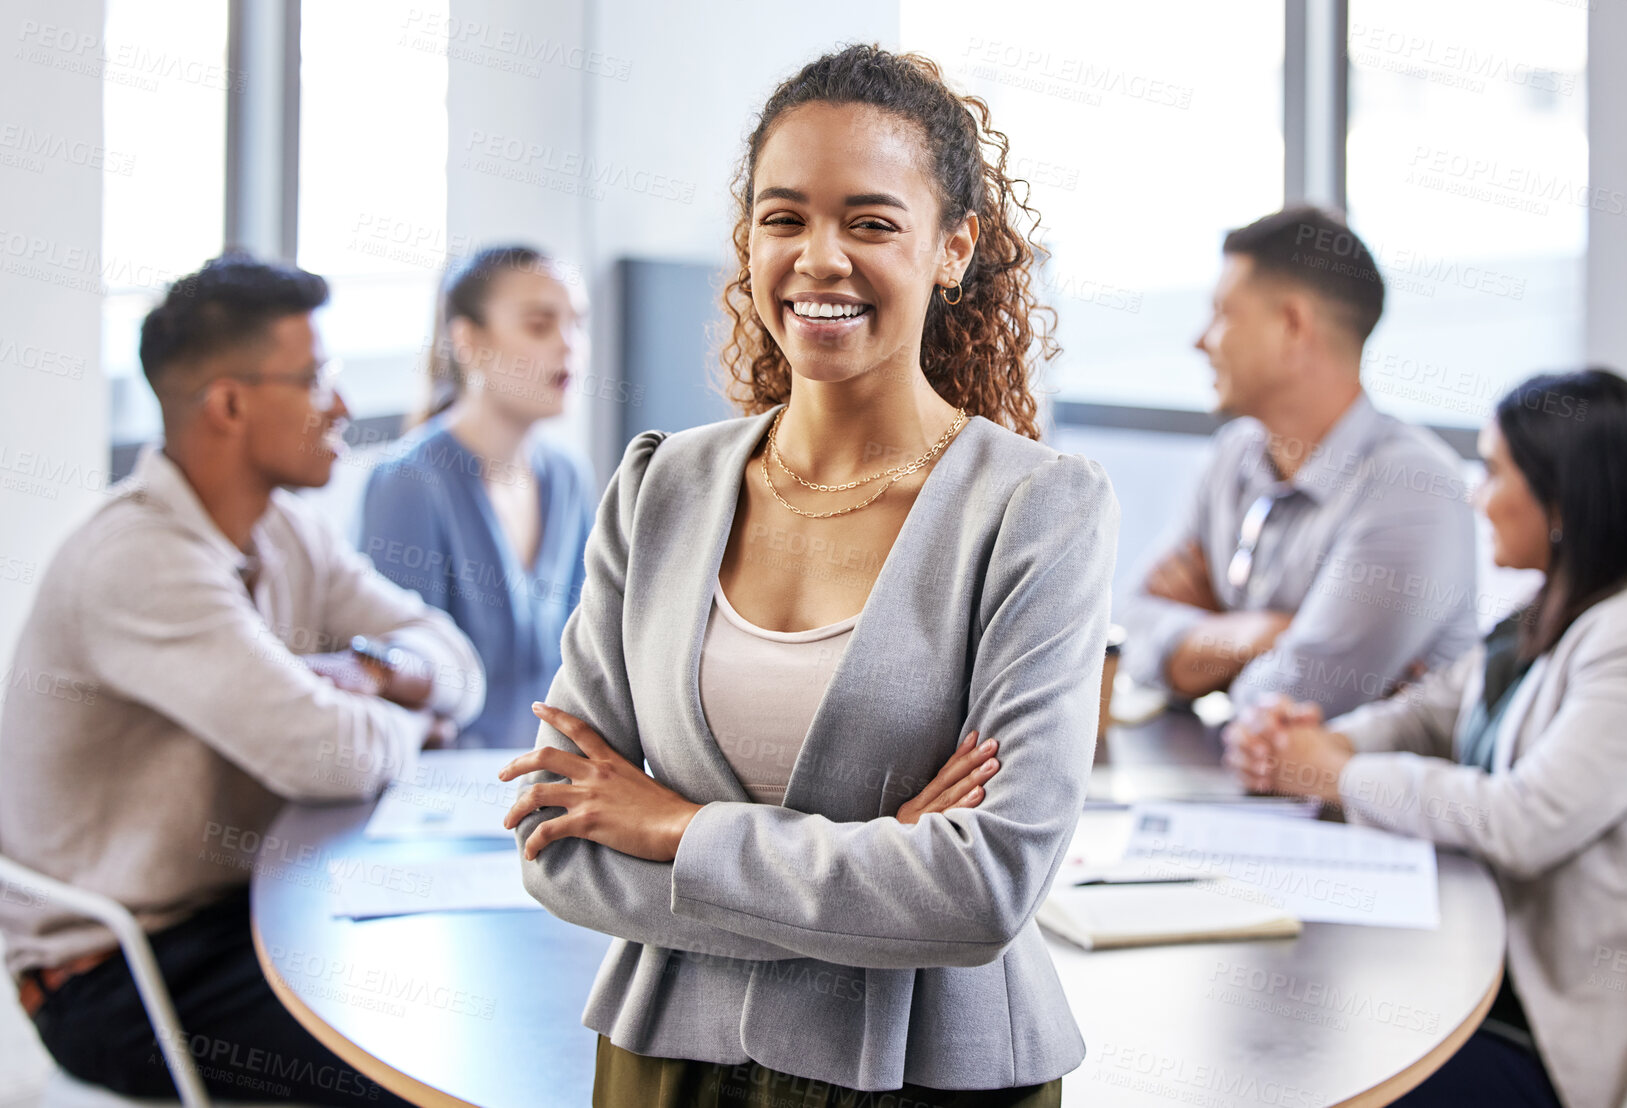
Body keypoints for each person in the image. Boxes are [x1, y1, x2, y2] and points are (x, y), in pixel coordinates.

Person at [498, 45, 1117, 1107]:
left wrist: (675, 826)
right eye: (783, 218)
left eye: (870, 223)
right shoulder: (659, 489)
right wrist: (877, 871)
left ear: (952, 248)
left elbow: (980, 891)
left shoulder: (1035, 510)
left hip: (929, 1073)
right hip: (665, 1064)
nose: (819, 257)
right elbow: (562, 849)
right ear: (746, 241)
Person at [1224, 369, 1627, 1108]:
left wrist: (1334, 775)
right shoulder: (1547, 611)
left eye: (1494, 471)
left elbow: (1524, 820)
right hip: (1536, 989)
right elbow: (1431, 715)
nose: (1475, 494)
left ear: (1563, 498)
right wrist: (1312, 743)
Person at [0, 254, 484, 1105]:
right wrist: (416, 721)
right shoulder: (140, 562)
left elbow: (455, 661)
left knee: (468, 979)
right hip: (117, 973)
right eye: (315, 378)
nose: (339, 404)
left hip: (246, 907)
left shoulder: (289, 531)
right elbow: (329, 757)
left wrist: (375, 672)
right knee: (423, 1062)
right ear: (228, 404)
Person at [1120, 207, 1477, 721]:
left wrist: (1206, 638)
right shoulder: (1233, 454)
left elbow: (1294, 698)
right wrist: (1259, 633)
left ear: (1291, 325)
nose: (1200, 341)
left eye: (1223, 313)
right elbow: (1130, 628)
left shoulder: (1415, 489)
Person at [360, 245, 597, 747]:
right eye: (539, 325)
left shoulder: (568, 476)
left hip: (554, 786)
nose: (569, 344)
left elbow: (589, 662)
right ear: (468, 340)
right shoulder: (409, 483)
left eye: (577, 323)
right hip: (445, 798)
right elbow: (405, 684)